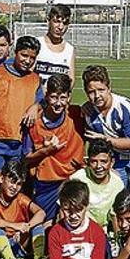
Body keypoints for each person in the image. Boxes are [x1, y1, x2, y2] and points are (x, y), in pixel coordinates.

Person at [0, 36, 43, 226]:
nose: (27, 60)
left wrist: (36, 106)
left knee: (14, 184)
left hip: (20, 141)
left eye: (32, 57)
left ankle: (10, 226)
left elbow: (42, 103)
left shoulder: (35, 79)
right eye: (24, 55)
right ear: (15, 53)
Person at [82, 65, 130, 213]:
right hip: (115, 155)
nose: (97, 96)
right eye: (91, 92)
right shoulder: (89, 112)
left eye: (101, 90)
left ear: (109, 87)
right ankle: (117, 230)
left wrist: (104, 138)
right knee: (116, 194)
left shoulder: (124, 107)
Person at [23, 73, 86, 222]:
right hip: (46, 182)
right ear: (46, 96)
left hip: (73, 179)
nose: (58, 103)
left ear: (69, 97)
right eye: (54, 97)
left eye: (63, 97)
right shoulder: (34, 122)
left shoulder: (77, 115)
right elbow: (26, 159)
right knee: (43, 223)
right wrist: (46, 151)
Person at [70, 139, 125, 228]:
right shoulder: (77, 179)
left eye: (103, 161)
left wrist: (117, 239)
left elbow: (115, 215)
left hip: (103, 230)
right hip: (78, 228)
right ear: (88, 162)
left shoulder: (118, 184)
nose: (98, 166)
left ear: (112, 163)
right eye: (94, 161)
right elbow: (64, 210)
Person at [35, 4, 76, 85]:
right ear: (48, 21)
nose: (60, 27)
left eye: (65, 23)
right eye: (57, 21)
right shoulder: (37, 44)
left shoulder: (70, 49)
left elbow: (71, 79)